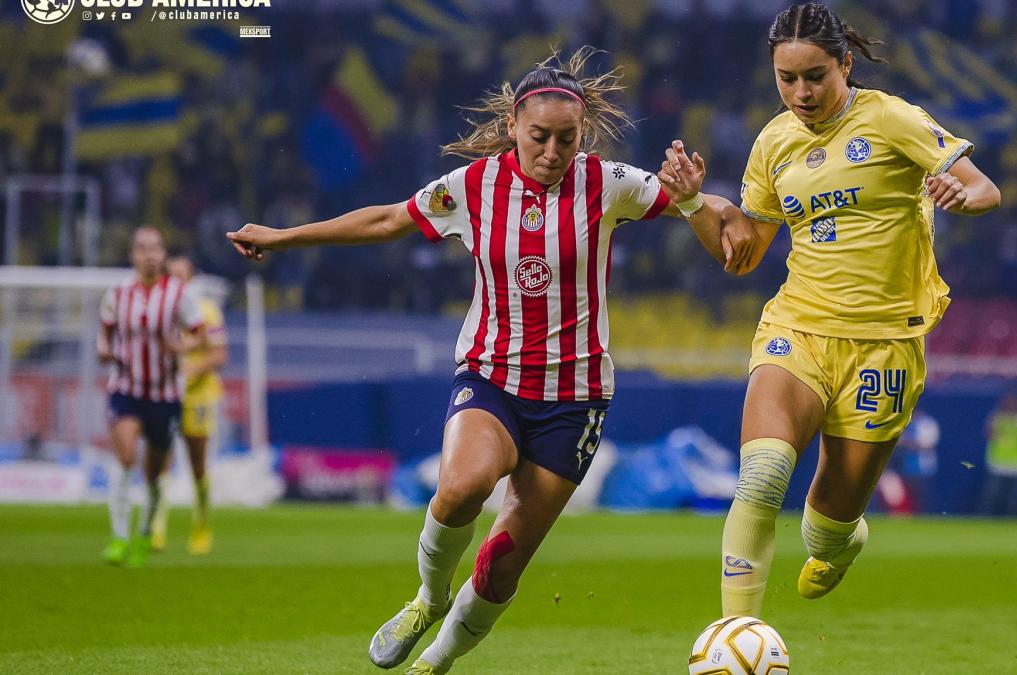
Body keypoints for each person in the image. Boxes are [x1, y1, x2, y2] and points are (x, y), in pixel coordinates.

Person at [226, 49, 752, 674]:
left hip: (574, 400)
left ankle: (437, 662)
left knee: (503, 561)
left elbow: (708, 214)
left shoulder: (607, 182)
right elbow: (388, 220)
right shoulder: (474, 187)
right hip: (493, 376)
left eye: (566, 139)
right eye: (539, 138)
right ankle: (427, 597)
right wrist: (285, 237)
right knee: (461, 488)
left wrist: (705, 206)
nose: (553, 152)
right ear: (512, 127)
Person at [656, 2, 1001, 619]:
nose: (801, 92)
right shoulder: (774, 143)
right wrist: (691, 206)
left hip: (885, 342)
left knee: (826, 530)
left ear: (845, 63)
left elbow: (983, 187)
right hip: (799, 325)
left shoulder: (892, 119)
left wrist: (958, 194)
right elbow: (743, 255)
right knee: (762, 476)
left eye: (815, 75)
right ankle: (737, 634)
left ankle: (842, 541)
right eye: (786, 78)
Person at [98, 226, 206, 567]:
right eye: (142, 249)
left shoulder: (178, 294)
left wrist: (181, 345)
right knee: (126, 456)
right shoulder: (117, 294)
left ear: (163, 254)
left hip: (164, 394)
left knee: (154, 472)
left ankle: (145, 531)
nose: (149, 255)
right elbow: (105, 335)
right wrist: (103, 351)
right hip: (126, 388)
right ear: (132, 255)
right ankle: (118, 537)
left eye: (155, 248)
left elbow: (200, 336)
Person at [148, 255, 228, 554]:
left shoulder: (207, 310)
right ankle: (156, 527)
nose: (178, 281)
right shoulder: (160, 311)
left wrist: (188, 372)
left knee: (197, 463)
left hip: (198, 395)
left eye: (183, 275)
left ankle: (201, 522)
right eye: (173, 275)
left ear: (192, 278)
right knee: (160, 461)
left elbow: (219, 355)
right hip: (165, 394)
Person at [979, 392, 1017, 517]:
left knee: (1015, 497)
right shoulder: (997, 417)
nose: (1012, 406)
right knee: (992, 494)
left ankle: (1012, 519)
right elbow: (988, 434)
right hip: (998, 461)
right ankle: (986, 518)